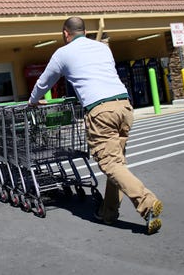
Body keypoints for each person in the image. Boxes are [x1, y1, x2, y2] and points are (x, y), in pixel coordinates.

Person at [28, 16, 163, 234]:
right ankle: (107, 213)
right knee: (117, 163)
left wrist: (33, 100)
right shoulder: (102, 48)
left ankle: (147, 201)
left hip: (100, 111)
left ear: (65, 33)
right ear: (84, 30)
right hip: (124, 106)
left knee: (110, 164)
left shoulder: (63, 53)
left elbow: (45, 82)